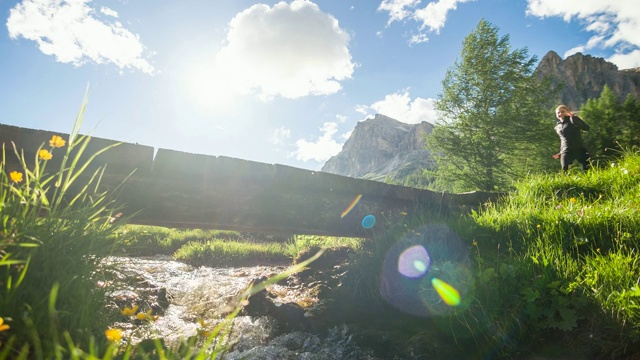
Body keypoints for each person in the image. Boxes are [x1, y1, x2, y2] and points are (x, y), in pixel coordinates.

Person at [553, 105, 591, 171]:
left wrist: (574, 119)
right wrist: (560, 152)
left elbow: (586, 128)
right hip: (566, 150)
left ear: (567, 112)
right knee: (565, 170)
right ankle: (567, 181)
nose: (560, 114)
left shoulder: (573, 119)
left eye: (563, 111)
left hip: (580, 149)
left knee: (586, 169)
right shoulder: (558, 126)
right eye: (558, 112)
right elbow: (563, 140)